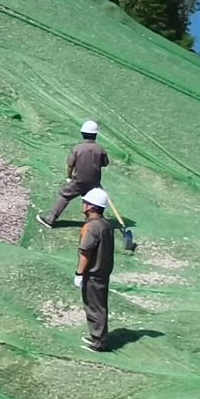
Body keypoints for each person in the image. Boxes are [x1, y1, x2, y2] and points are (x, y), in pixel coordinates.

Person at [42, 118, 108, 226]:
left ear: (83, 134)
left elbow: (70, 165)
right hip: (94, 181)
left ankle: (50, 219)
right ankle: (95, 223)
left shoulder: (77, 149)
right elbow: (105, 163)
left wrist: (69, 177)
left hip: (79, 180)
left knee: (65, 196)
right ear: (96, 134)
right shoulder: (100, 149)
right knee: (93, 201)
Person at [76, 187, 119, 351]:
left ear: (91, 207)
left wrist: (79, 273)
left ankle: (99, 342)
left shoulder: (91, 227)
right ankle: (97, 336)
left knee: (95, 307)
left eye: (85, 202)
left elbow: (85, 252)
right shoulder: (106, 225)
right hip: (103, 271)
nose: (83, 204)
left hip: (93, 273)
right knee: (98, 304)